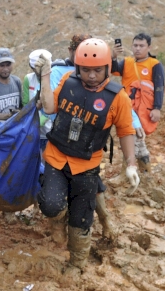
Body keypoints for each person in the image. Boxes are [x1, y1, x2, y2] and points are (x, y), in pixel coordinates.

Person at [36, 38, 140, 278]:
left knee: (82, 218)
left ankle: (77, 263)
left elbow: (125, 131)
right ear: (77, 67)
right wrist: (44, 74)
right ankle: (56, 221)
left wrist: (131, 164)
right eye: (85, 70)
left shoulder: (118, 98)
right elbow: (50, 108)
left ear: (107, 68)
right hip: (56, 157)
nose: (91, 75)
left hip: (87, 165)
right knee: (51, 205)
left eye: (97, 70)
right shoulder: (67, 82)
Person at [111, 33, 165, 170]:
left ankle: (131, 170)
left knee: (133, 138)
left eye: (141, 46)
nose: (138, 49)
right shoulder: (127, 62)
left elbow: (159, 87)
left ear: (149, 47)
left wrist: (157, 108)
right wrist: (113, 56)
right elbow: (112, 70)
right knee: (133, 137)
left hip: (143, 109)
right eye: (135, 45)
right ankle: (145, 169)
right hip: (126, 107)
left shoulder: (155, 65)